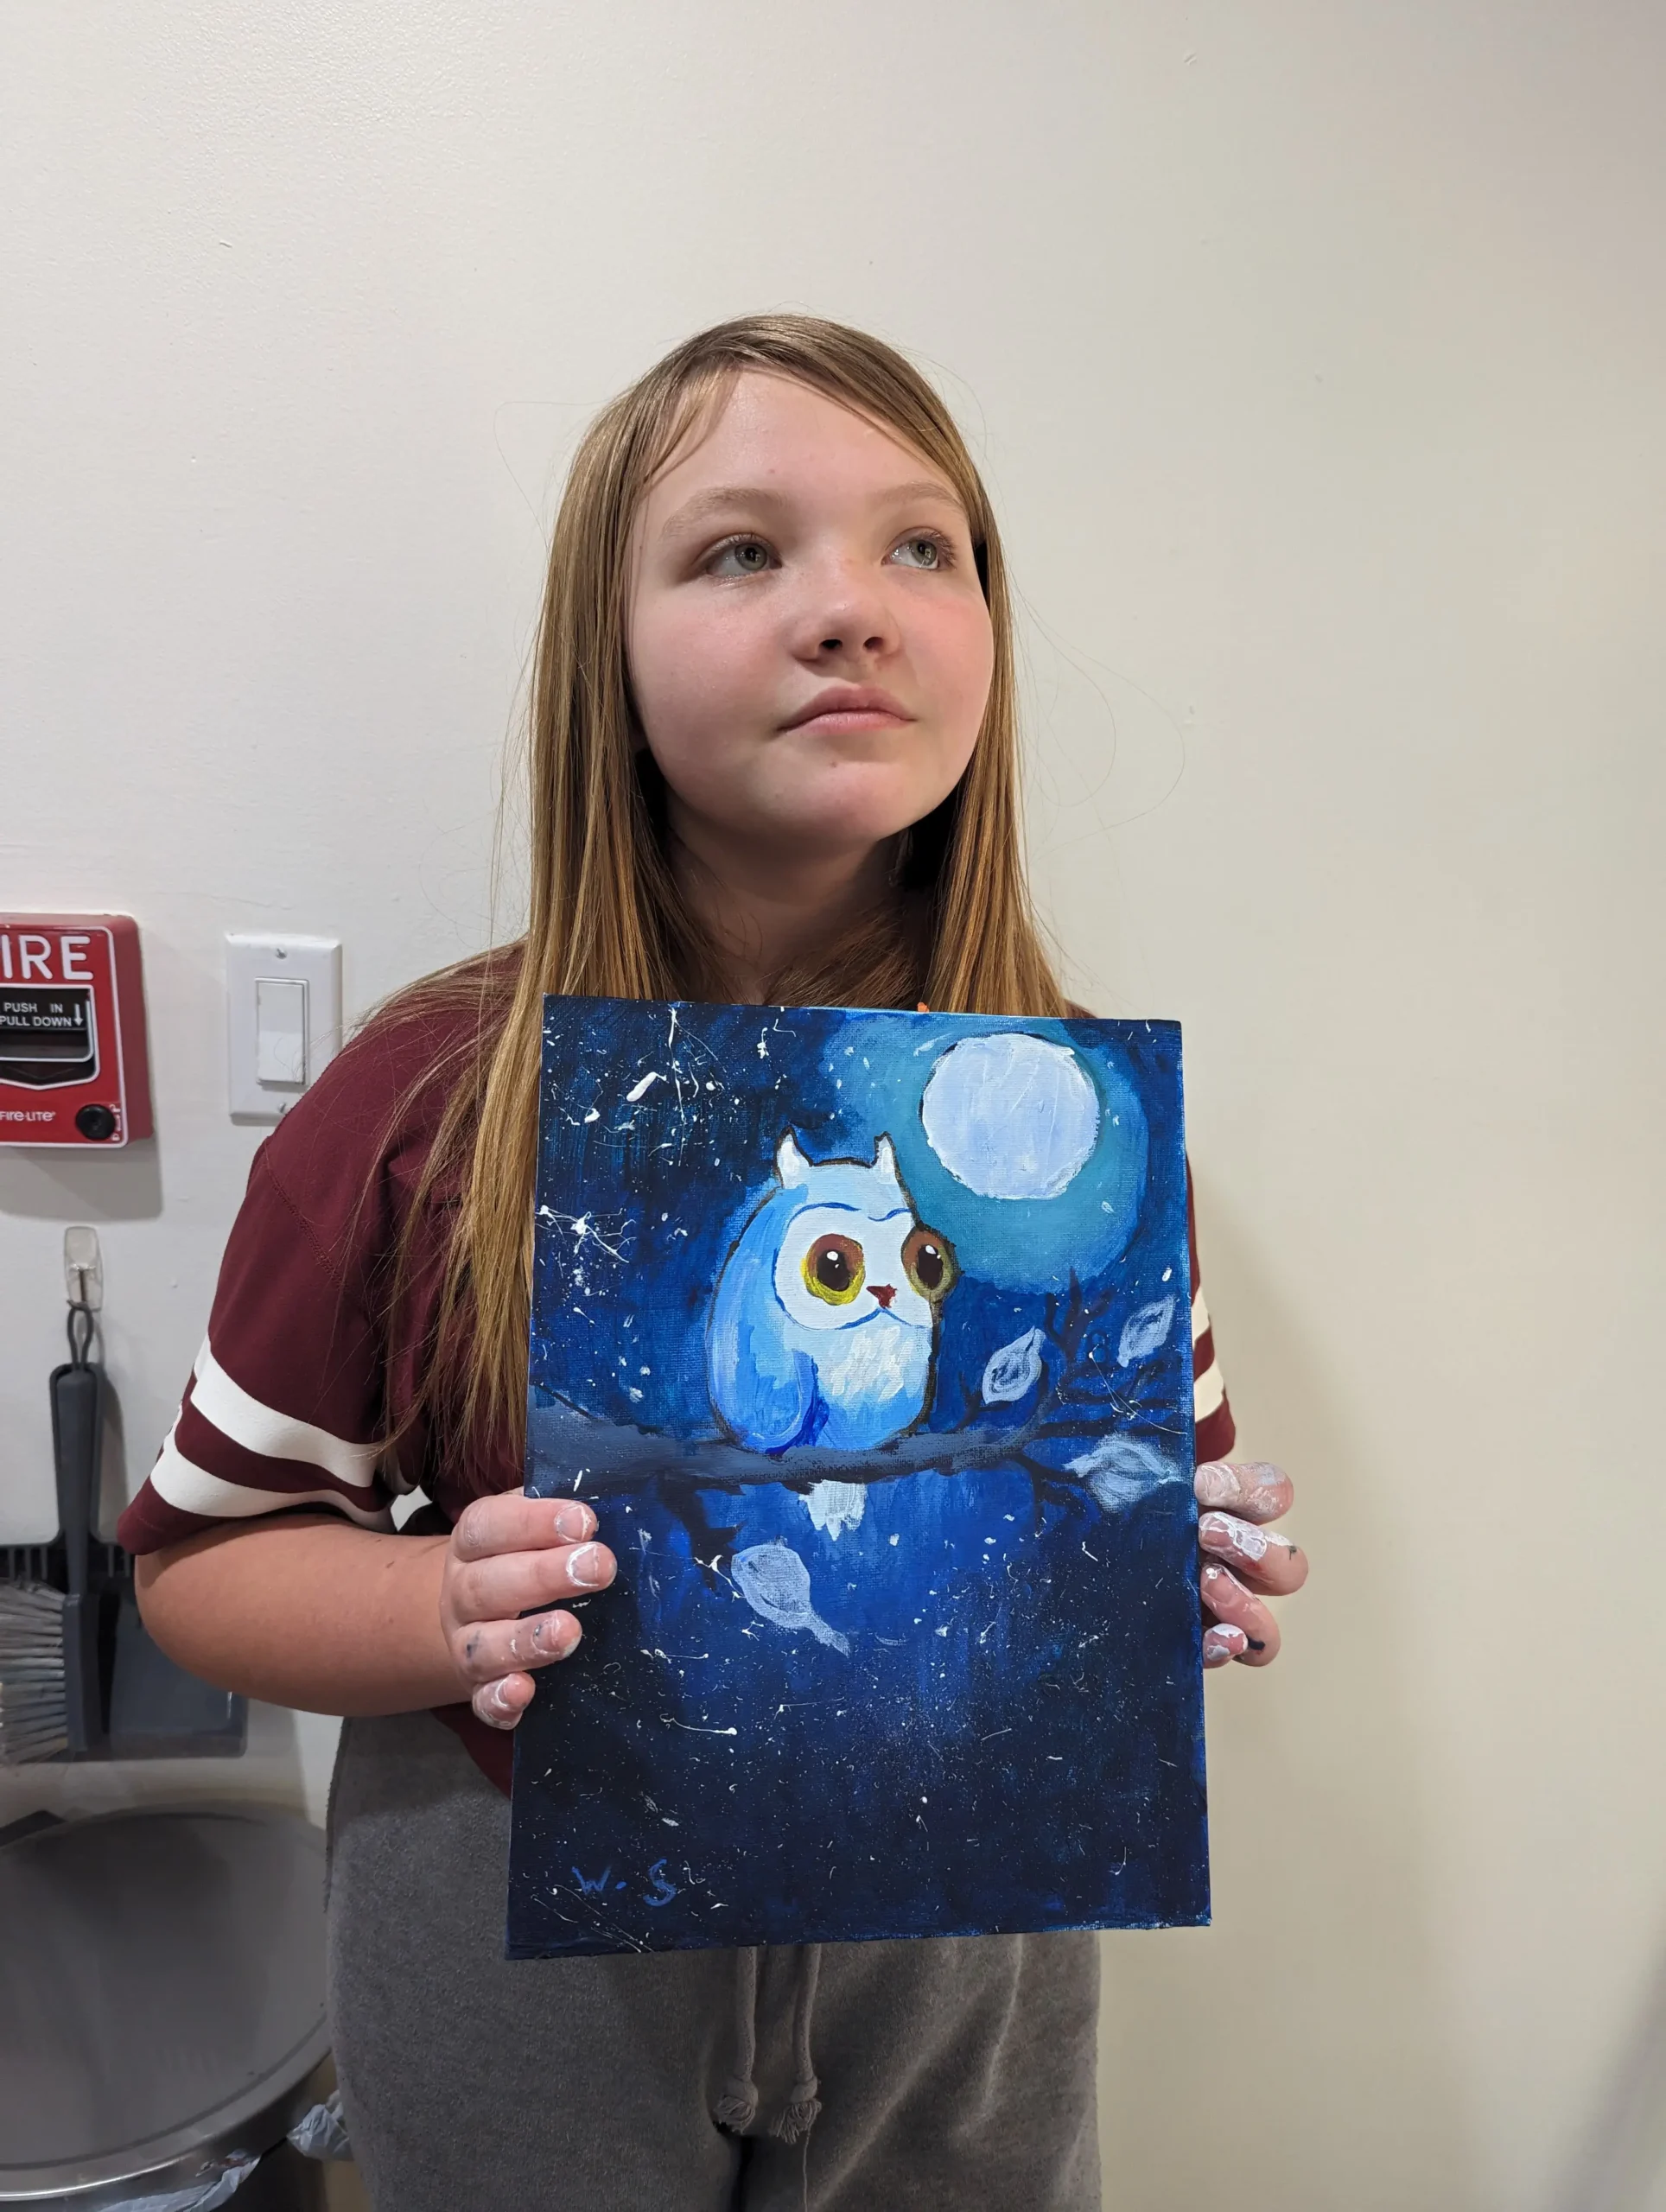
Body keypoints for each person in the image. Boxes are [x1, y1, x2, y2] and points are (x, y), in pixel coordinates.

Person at [123, 315, 1308, 2212]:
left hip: (955, 1939)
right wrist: (440, 1605)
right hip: (520, 1917)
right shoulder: (430, 1105)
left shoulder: (1059, 1120)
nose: (849, 606)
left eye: (924, 545)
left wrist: (1175, 1570)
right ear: (606, 646)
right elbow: (202, 1557)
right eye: (741, 548)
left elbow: (1137, 1515)